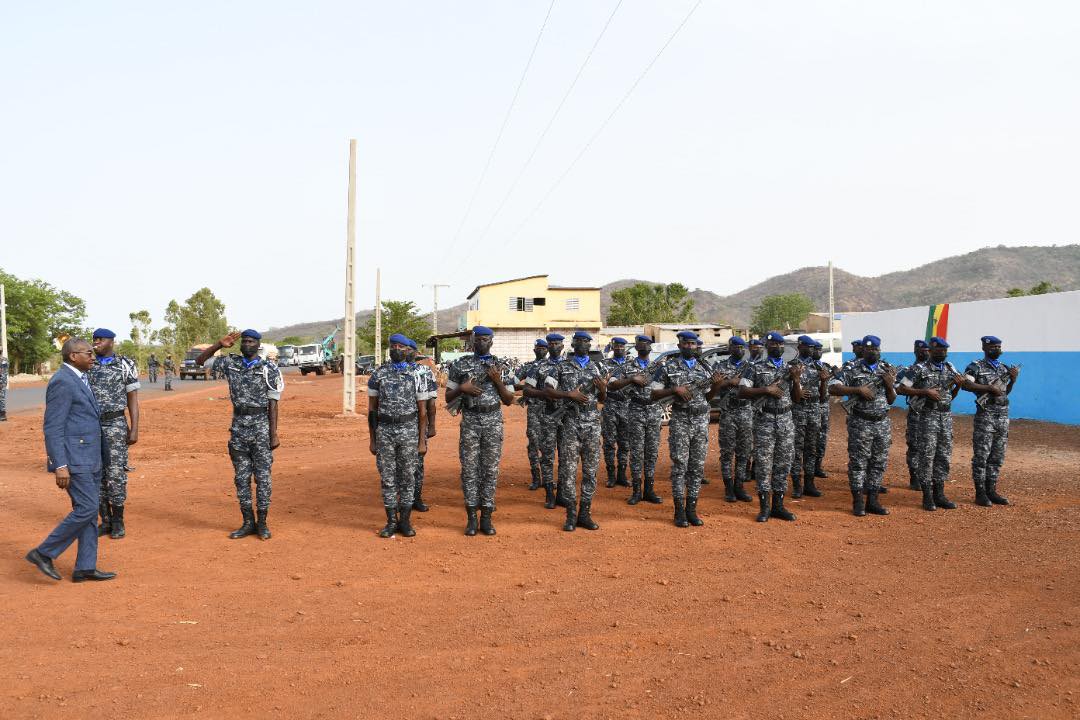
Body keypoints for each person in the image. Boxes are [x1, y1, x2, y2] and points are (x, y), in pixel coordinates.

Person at [25, 337, 116, 582]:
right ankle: (43, 553)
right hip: (75, 459)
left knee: (87, 512)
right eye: (88, 353)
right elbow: (53, 427)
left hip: (90, 456)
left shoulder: (80, 378)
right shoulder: (63, 381)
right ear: (73, 356)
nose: (93, 356)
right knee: (86, 508)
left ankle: (85, 567)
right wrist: (60, 465)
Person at [197, 330, 283, 539]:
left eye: (251, 341)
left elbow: (273, 403)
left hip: (260, 427)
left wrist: (273, 433)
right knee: (241, 478)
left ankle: (262, 523)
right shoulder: (231, 363)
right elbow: (200, 361)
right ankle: (247, 522)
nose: (246, 344)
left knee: (263, 478)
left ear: (258, 345)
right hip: (238, 428)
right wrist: (219, 344)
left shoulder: (268, 368)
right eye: (244, 341)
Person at [446, 326, 515, 536]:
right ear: (472, 341)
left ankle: (486, 517)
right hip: (471, 421)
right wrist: (461, 389)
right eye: (478, 339)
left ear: (492, 341)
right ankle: (471, 519)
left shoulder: (503, 365)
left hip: (493, 420)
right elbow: (448, 397)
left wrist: (497, 380)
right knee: (469, 470)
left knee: (490, 470)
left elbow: (509, 399)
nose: (481, 343)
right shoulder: (460, 364)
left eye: (486, 339)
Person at [651, 331, 724, 527]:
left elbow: (708, 398)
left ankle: (691, 509)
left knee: (697, 467)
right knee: (680, 466)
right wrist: (674, 390)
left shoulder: (705, 366)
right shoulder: (668, 367)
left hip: (701, 421)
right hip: (681, 420)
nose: (691, 347)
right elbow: (653, 393)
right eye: (687, 343)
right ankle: (679, 511)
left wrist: (717, 386)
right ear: (680, 344)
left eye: (694, 344)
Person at [543, 330, 606, 531]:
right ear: (572, 344)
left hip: (592, 424)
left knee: (590, 471)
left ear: (590, 345)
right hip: (570, 423)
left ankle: (585, 514)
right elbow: (547, 391)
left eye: (586, 341)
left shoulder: (598, 367)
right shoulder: (561, 367)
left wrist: (603, 389)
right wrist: (568, 394)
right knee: (568, 471)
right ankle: (570, 514)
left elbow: (603, 400)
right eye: (578, 341)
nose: (582, 344)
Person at [367, 334, 428, 537]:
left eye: (401, 346)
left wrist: (421, 441)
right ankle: (391, 521)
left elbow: (423, 412)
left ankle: (406, 521)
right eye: (393, 346)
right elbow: (372, 410)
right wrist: (373, 439)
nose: (397, 349)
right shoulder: (378, 374)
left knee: (407, 477)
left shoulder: (416, 374)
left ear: (407, 350)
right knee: (388, 478)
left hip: (409, 430)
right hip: (385, 431)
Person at [738, 331, 802, 522]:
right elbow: (742, 392)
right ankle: (764, 507)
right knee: (764, 465)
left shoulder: (791, 369)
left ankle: (779, 506)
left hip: (786, 421)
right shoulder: (754, 367)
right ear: (767, 347)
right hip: (764, 420)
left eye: (780, 345)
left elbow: (797, 399)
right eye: (773, 345)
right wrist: (766, 389)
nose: (777, 348)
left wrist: (797, 380)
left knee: (783, 464)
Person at [829, 335, 896, 517]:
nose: (872, 351)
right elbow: (833, 388)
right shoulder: (851, 368)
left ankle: (873, 500)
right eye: (868, 349)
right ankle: (858, 502)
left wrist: (890, 385)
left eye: (875, 349)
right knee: (858, 463)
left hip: (882, 422)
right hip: (860, 422)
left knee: (878, 462)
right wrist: (857, 390)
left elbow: (891, 399)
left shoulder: (886, 369)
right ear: (862, 351)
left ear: (879, 350)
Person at [87, 329, 140, 539]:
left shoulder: (125, 364)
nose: (97, 343)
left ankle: (118, 521)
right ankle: (105, 520)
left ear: (112, 341)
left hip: (115, 424)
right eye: (95, 339)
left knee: (116, 474)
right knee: (95, 474)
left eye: (101, 339)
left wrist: (134, 427)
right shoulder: (87, 362)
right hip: (90, 426)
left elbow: (133, 399)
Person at [897, 337, 961, 511]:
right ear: (931, 351)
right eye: (939, 350)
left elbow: (949, 396)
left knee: (943, 455)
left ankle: (939, 494)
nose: (943, 353)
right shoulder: (919, 369)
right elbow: (901, 388)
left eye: (945, 350)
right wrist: (924, 391)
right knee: (927, 456)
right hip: (928, 417)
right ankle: (927, 496)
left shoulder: (950, 368)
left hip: (946, 417)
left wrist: (958, 386)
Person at [962, 335, 1019, 507]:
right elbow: (966, 384)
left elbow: (1004, 392)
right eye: (993, 347)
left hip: (1002, 416)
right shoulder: (975, 366)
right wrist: (987, 387)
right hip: (985, 416)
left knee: (997, 456)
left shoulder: (1003, 368)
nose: (997, 349)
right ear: (984, 348)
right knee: (982, 456)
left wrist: (1013, 380)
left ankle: (991, 490)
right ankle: (980, 493)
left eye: (999, 347)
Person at [606, 335, 663, 505]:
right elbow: (612, 384)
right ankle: (637, 491)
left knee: (651, 452)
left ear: (651, 347)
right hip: (636, 411)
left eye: (646, 343)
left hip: (653, 411)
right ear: (636, 347)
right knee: (637, 452)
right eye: (640, 343)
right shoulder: (627, 366)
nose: (643, 346)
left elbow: (666, 387)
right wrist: (631, 379)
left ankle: (649, 490)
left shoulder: (658, 367)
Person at [522, 333, 567, 510]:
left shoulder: (570, 365)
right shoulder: (538, 367)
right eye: (551, 343)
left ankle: (563, 491)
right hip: (546, 415)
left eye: (558, 343)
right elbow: (527, 390)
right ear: (547, 346)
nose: (554, 346)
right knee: (547, 455)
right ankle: (549, 492)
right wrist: (545, 394)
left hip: (568, 417)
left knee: (566, 455)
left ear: (563, 346)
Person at [711, 336, 753, 503]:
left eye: (742, 347)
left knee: (744, 453)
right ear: (729, 348)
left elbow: (755, 386)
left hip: (746, 412)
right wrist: (730, 382)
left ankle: (740, 486)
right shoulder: (719, 366)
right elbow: (712, 386)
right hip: (728, 413)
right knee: (727, 453)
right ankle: (728, 488)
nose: (740, 350)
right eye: (736, 347)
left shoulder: (750, 367)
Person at [790, 335, 829, 499]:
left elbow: (822, 397)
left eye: (814, 347)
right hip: (798, 412)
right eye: (809, 347)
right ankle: (797, 486)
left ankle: (809, 484)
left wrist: (824, 381)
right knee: (797, 450)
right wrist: (798, 386)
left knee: (811, 449)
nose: (812, 350)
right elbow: (795, 397)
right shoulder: (792, 366)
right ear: (800, 347)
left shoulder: (817, 367)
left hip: (814, 411)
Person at [406, 340, 438, 512]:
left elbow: (432, 402)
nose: (408, 352)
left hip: (421, 422)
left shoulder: (425, 371)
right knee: (401, 464)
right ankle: (403, 499)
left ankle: (416, 498)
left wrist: (432, 426)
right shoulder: (394, 370)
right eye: (406, 349)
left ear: (416, 352)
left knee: (418, 463)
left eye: (411, 349)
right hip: (401, 422)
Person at [514, 339, 549, 491]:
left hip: (552, 410)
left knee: (550, 445)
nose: (541, 350)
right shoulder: (528, 367)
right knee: (534, 443)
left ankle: (548, 478)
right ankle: (536, 477)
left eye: (543, 348)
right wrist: (526, 387)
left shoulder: (556, 365)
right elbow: (511, 382)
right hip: (534, 410)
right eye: (538, 348)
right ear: (534, 349)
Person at [601, 337, 632, 489]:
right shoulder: (605, 364)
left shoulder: (632, 364)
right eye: (617, 346)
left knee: (625, 443)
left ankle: (622, 474)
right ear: (612, 347)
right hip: (610, 405)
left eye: (622, 346)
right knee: (609, 442)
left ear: (625, 347)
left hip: (627, 405)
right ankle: (611, 475)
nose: (619, 348)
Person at [901, 340, 931, 489]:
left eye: (927, 350)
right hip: (917, 414)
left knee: (930, 446)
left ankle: (927, 475)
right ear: (915, 351)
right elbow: (899, 388)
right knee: (915, 445)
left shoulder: (935, 370)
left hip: (932, 414)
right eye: (922, 351)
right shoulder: (909, 370)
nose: (925, 353)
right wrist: (922, 393)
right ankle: (914, 476)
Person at [811, 341, 834, 480]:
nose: (818, 352)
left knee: (822, 437)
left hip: (824, 406)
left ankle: (817, 466)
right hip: (810, 407)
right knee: (808, 439)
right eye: (815, 350)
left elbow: (830, 388)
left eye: (820, 350)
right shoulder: (804, 368)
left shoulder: (826, 367)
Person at [0, 350, 8, 421]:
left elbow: (4, 372)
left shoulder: (4, 360)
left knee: (1, 397)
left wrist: (1, 383)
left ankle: (3, 415)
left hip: (2, 382)